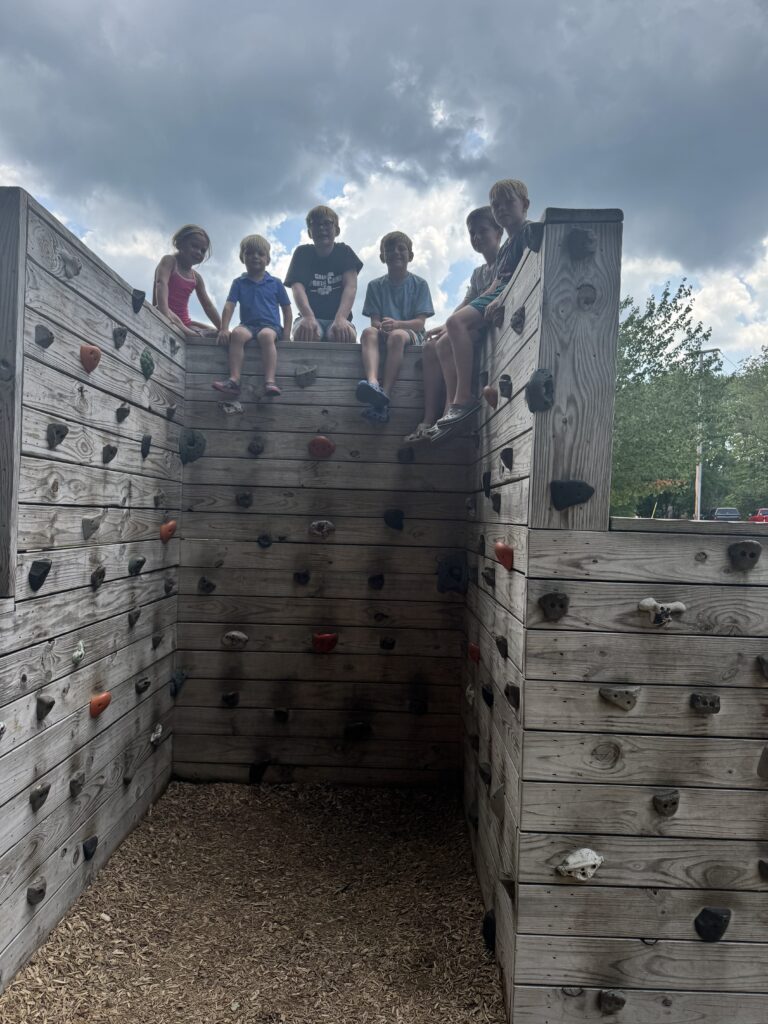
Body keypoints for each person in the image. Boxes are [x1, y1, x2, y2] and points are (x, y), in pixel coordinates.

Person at [435, 179, 531, 432]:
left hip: (508, 297)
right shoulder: (508, 245)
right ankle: (453, 404)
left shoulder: (528, 232)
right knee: (446, 335)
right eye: (496, 205)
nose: (502, 208)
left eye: (509, 202)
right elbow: (498, 281)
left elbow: (525, 274)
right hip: (498, 294)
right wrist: (492, 297)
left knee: (456, 322)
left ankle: (464, 397)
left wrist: (501, 298)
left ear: (525, 205)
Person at [404, 206, 503, 442]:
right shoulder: (479, 273)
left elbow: (493, 294)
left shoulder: (504, 261)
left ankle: (456, 403)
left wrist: (452, 325)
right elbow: (467, 302)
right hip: (469, 325)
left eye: (483, 231)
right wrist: (445, 325)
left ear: (499, 232)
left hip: (488, 328)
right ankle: (431, 416)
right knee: (431, 346)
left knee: (446, 342)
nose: (477, 237)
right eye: (472, 233)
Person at [355, 231, 434, 424]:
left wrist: (397, 324)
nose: (395, 252)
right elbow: (374, 321)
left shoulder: (419, 284)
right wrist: (381, 326)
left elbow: (420, 323)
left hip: (411, 333)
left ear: (410, 255)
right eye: (389, 249)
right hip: (385, 331)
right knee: (367, 332)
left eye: (401, 249)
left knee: (397, 336)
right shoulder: (375, 285)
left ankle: (385, 394)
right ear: (383, 256)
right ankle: (373, 383)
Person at [212, 235, 292, 398]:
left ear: (268, 259)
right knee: (238, 334)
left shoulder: (275, 283)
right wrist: (224, 328)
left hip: (270, 326)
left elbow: (287, 310)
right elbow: (229, 306)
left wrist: (286, 334)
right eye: (250, 253)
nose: (255, 256)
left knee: (266, 336)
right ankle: (234, 379)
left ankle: (270, 381)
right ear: (243, 257)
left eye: (260, 253)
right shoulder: (239, 283)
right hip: (248, 325)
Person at [283, 206, 362, 342]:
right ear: (309, 232)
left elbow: (351, 286)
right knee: (305, 333)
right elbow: (297, 288)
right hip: (309, 317)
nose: (321, 228)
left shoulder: (345, 252)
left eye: (327, 223)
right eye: (316, 224)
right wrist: (308, 316)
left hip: (338, 318)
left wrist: (341, 318)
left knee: (344, 334)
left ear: (336, 230)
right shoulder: (302, 253)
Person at [153, 224, 221, 336]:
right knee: (178, 322)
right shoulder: (170, 261)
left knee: (216, 332)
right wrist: (165, 315)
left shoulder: (196, 278)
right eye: (194, 246)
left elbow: (207, 305)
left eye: (203, 250)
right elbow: (161, 284)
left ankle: (197, 333)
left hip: (185, 323)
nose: (199, 252)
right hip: (163, 311)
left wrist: (222, 328)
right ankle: (193, 334)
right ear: (180, 243)